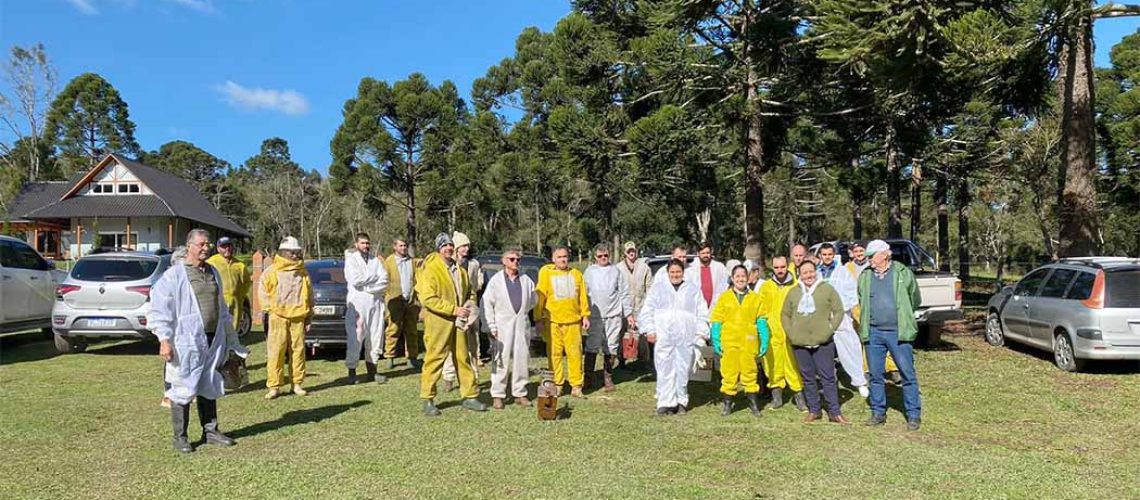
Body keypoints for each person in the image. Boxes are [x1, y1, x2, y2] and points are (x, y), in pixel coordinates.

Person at [149, 229, 248, 453]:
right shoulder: (175, 275)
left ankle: (210, 431)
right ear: (190, 246)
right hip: (186, 340)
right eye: (202, 244)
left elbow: (222, 309)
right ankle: (180, 437)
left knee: (209, 383)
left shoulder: (213, 271)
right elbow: (159, 309)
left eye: (208, 244)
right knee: (183, 386)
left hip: (213, 339)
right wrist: (164, 339)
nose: (206, 248)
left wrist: (232, 340)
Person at [417, 233, 485, 415]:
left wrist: (469, 307)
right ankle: (428, 399)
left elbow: (470, 292)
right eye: (444, 246)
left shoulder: (460, 271)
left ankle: (470, 395)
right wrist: (453, 309)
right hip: (439, 322)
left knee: (463, 358)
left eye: (450, 246)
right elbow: (428, 299)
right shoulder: (430, 269)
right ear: (439, 249)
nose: (448, 249)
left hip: (460, 323)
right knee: (435, 358)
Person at [859, 239, 923, 431]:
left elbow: (914, 298)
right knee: (875, 374)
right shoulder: (865, 276)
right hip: (874, 332)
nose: (869, 259)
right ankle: (878, 412)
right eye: (868, 256)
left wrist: (902, 315)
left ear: (885, 254)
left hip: (898, 332)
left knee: (907, 374)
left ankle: (913, 415)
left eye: (872, 256)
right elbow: (861, 298)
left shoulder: (903, 273)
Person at [638, 259, 710, 416]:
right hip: (664, 337)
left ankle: (681, 401)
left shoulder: (692, 290)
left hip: (686, 337)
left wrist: (701, 333)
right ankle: (665, 403)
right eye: (672, 272)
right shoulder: (658, 289)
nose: (675, 275)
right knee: (664, 369)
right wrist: (649, 330)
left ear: (683, 272)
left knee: (683, 369)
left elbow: (702, 313)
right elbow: (647, 310)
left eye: (678, 272)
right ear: (667, 273)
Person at [782, 260, 850, 424]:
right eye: (804, 272)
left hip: (823, 342)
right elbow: (785, 314)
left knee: (828, 377)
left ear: (816, 271)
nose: (808, 275)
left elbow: (839, 311)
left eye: (811, 271)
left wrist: (829, 328)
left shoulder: (826, 289)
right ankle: (814, 410)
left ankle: (834, 411)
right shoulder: (793, 292)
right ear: (800, 274)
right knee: (808, 377)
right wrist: (791, 332)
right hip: (800, 342)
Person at [709, 265, 769, 417]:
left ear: (748, 278)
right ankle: (728, 404)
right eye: (738, 276)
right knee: (729, 373)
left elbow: (761, 320)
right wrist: (716, 339)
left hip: (749, 342)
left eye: (743, 276)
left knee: (750, 373)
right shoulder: (724, 297)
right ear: (733, 278)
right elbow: (717, 320)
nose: (741, 279)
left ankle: (753, 404)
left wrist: (764, 339)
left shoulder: (756, 298)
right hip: (729, 342)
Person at [482, 248, 538, 409]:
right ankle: (498, 394)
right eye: (512, 259)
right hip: (501, 325)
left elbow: (533, 301)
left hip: (521, 323)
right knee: (500, 359)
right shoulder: (496, 281)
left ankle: (520, 392)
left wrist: (523, 314)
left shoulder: (527, 280)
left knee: (521, 358)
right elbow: (487, 304)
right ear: (504, 261)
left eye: (518, 259)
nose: (515, 262)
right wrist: (490, 327)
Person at [259, 236, 313, 399]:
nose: (296, 255)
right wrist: (270, 310)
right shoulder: (271, 271)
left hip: (298, 317)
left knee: (298, 351)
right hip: (278, 317)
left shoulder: (302, 272)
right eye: (292, 252)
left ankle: (296, 384)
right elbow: (263, 292)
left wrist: (309, 316)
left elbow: (309, 294)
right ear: (283, 252)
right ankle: (274, 386)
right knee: (276, 351)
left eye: (297, 252)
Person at [536, 246, 591, 398]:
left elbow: (583, 297)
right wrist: (538, 317)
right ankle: (557, 384)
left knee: (575, 354)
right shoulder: (546, 273)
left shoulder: (576, 274)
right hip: (553, 321)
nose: (563, 259)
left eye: (565, 256)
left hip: (573, 322)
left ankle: (576, 386)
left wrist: (585, 315)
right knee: (554, 354)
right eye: (559, 257)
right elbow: (540, 296)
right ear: (553, 258)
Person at [816, 243, 869, 398]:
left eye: (829, 254)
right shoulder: (816, 272)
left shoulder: (843, 271)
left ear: (834, 255)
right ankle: (826, 380)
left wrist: (846, 310)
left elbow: (851, 292)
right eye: (824, 254)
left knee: (850, 347)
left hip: (840, 315)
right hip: (821, 317)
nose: (827, 257)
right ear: (820, 256)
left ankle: (860, 382)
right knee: (822, 349)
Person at [846, 240, 902, 383]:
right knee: (866, 339)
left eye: (861, 251)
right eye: (856, 251)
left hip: (875, 305)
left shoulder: (872, 264)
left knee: (886, 337)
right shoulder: (847, 268)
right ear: (851, 253)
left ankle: (893, 368)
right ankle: (867, 369)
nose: (859, 254)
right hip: (857, 306)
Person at [757, 256, 806, 411]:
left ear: (787, 266)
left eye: (782, 267)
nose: (780, 270)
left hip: (790, 331)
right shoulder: (766, 287)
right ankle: (776, 397)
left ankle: (799, 396)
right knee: (772, 364)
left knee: (793, 365)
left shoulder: (796, 286)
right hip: (772, 332)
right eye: (777, 267)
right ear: (772, 268)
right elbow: (761, 310)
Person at [583, 243, 633, 392]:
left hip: (613, 315)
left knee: (611, 346)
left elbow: (624, 293)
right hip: (595, 315)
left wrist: (628, 314)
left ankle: (608, 377)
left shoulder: (616, 271)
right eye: (600, 256)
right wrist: (583, 314)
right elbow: (583, 293)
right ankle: (588, 377)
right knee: (592, 346)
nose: (603, 258)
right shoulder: (589, 272)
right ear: (595, 257)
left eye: (605, 255)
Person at [343, 233, 389, 385]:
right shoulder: (351, 261)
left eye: (367, 243)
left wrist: (369, 286)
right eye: (362, 243)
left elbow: (384, 279)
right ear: (356, 244)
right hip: (357, 304)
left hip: (375, 302)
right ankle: (352, 371)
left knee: (375, 335)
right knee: (356, 337)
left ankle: (372, 371)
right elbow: (355, 280)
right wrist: (373, 279)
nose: (366, 246)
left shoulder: (375, 261)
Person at [442, 231, 483, 391]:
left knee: (472, 344)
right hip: (455, 307)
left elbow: (479, 281)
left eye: (467, 245)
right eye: (463, 246)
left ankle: (474, 377)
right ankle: (449, 377)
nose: (466, 248)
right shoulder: (450, 263)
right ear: (457, 247)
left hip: (470, 306)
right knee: (452, 343)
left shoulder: (473, 264)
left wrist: (475, 286)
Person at [383, 238, 420, 370]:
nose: (404, 248)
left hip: (411, 301)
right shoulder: (388, 262)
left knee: (411, 330)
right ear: (395, 247)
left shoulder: (412, 262)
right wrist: (387, 296)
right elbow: (384, 281)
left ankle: (412, 357)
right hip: (394, 300)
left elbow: (417, 278)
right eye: (401, 246)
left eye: (405, 246)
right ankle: (389, 357)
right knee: (393, 329)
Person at [205, 236, 251, 338]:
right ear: (218, 248)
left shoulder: (239, 265)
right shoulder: (211, 262)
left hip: (235, 304)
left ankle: (231, 350)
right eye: (223, 246)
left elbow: (247, 282)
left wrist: (240, 296)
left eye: (229, 246)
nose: (227, 249)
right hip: (218, 302)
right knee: (218, 331)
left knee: (233, 330)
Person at [616, 241, 652, 369]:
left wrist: (648, 306)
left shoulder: (644, 267)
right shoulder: (618, 268)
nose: (631, 253)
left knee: (642, 335)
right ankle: (621, 359)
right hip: (623, 307)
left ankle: (643, 360)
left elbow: (649, 287)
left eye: (633, 250)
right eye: (629, 251)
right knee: (622, 333)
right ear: (625, 253)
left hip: (641, 306)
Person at [686, 242, 730, 309]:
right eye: (703, 253)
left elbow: (726, 285)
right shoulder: (690, 269)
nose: (706, 255)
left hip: (716, 307)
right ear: (698, 254)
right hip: (697, 307)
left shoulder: (719, 267)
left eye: (707, 253)